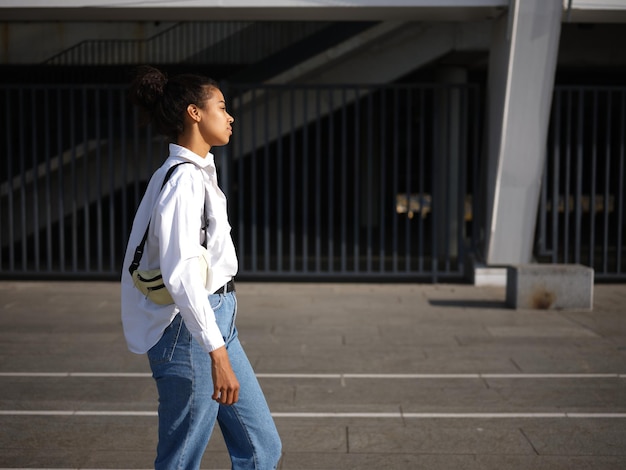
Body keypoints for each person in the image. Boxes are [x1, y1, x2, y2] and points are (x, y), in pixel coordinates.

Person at [120, 65, 282, 470]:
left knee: (262, 449)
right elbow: (181, 275)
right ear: (194, 113)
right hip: (190, 333)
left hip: (217, 324)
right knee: (180, 461)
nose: (230, 117)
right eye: (221, 107)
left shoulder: (194, 175)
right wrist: (217, 353)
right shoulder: (183, 182)